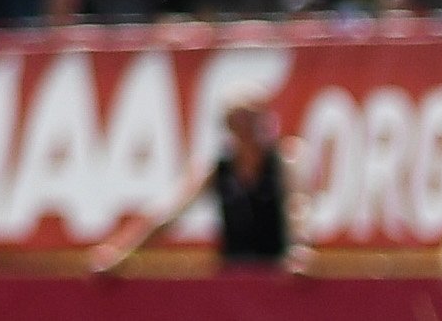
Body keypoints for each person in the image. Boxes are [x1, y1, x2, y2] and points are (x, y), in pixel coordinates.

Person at [94, 96, 303, 275]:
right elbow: (170, 213)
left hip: (277, 273)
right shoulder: (216, 169)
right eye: (238, 122)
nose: (245, 129)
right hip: (234, 274)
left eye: (250, 119)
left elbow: (298, 207)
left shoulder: (283, 162)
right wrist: (122, 251)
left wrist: (300, 251)